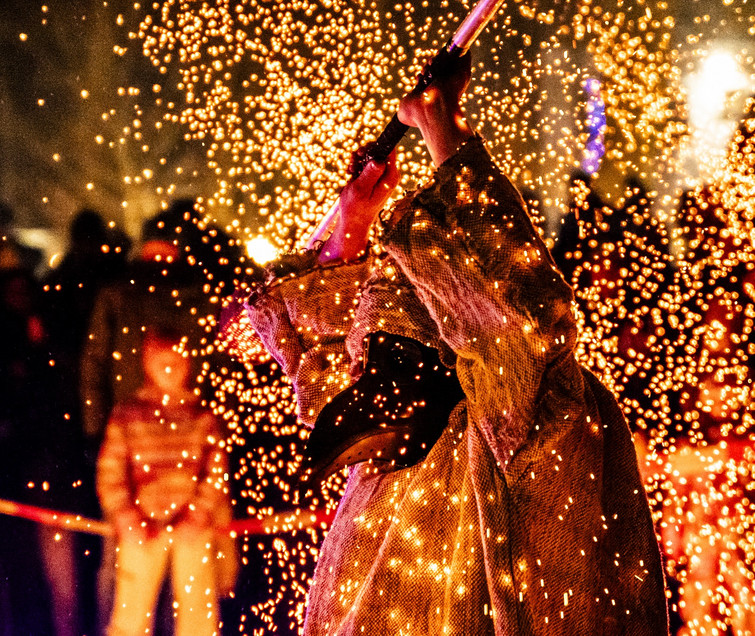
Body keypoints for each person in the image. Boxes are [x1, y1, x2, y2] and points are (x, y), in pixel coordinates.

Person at [244, 53, 668, 633]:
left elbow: (513, 302)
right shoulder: (386, 426)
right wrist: (361, 215)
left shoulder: (514, 411)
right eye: (373, 358)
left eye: (388, 357)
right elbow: (334, 343)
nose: (371, 379)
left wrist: (444, 132)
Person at [97, 326, 233, 636]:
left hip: (192, 528)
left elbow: (216, 472)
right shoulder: (128, 414)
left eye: (178, 364)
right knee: (130, 615)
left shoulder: (202, 416)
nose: (170, 371)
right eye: (163, 364)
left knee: (198, 614)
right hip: (142, 525)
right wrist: (126, 516)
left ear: (189, 365)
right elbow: (110, 471)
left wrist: (198, 513)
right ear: (147, 364)